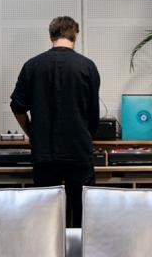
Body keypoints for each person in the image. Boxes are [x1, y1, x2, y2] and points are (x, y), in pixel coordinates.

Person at [11, 16, 100, 228]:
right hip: (78, 151)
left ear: (51, 36)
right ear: (74, 35)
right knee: (82, 215)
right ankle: (78, 250)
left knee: (45, 216)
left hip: (44, 153)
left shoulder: (31, 66)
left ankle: (49, 250)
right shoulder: (87, 67)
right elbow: (93, 115)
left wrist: (32, 132)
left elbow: (17, 106)